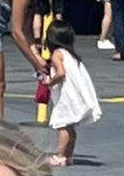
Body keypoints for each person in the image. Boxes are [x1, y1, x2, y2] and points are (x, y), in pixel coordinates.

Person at [42, 21, 100, 167]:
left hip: (66, 95)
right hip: (73, 94)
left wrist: (50, 82)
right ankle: (68, 155)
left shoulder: (57, 54)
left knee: (62, 125)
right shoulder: (70, 54)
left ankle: (60, 155)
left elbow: (61, 73)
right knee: (70, 127)